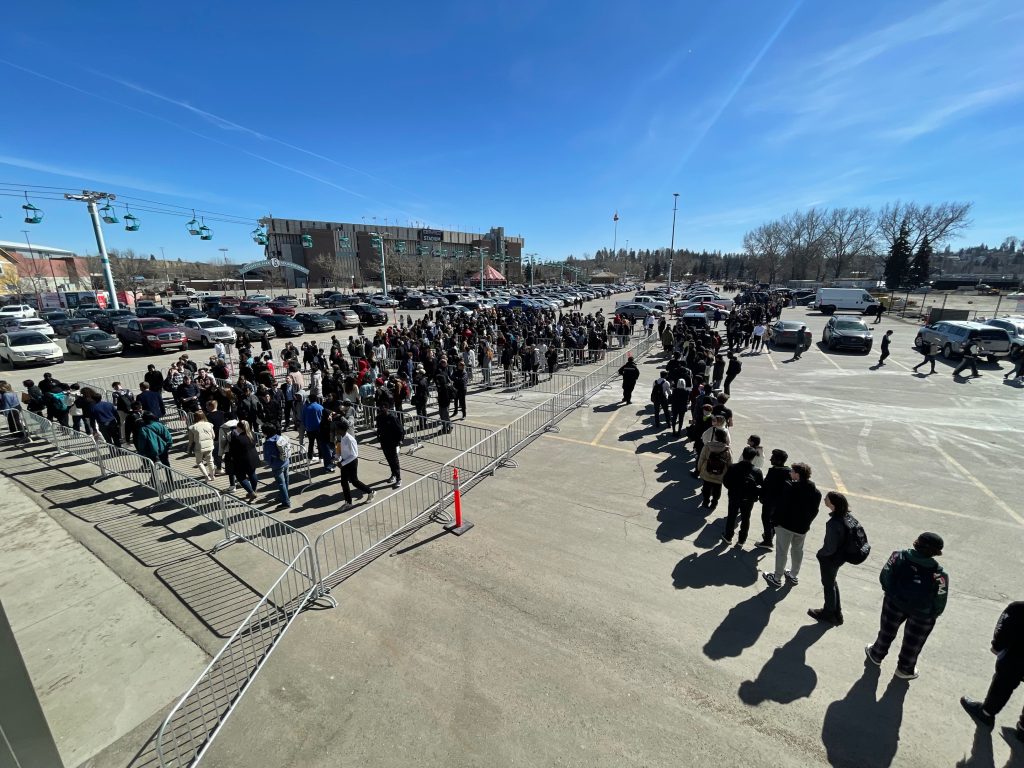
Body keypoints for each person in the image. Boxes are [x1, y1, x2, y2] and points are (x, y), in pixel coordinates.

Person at [864, 532, 948, 680]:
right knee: (913, 642)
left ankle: (876, 654)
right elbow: (940, 600)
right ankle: (905, 669)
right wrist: (932, 614)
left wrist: (891, 594)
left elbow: (885, 576)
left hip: (894, 602)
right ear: (936, 552)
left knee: (887, 631)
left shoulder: (898, 556)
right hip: (922, 613)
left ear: (916, 543)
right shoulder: (939, 575)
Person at [960, 602, 1024, 739]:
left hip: (1017, 657)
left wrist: (997, 645)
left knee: (1004, 681)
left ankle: (987, 713)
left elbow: (1003, 628)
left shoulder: (1018, 609)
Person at [762, 462, 821, 587]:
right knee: (797, 550)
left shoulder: (789, 488)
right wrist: (807, 523)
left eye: (792, 471)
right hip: (802, 528)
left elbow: (781, 507)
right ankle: (793, 575)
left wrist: (774, 521)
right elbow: (815, 511)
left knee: (782, 551)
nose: (790, 473)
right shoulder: (816, 492)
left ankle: (777, 578)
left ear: (797, 475)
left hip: (785, 526)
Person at [809, 491, 853, 627]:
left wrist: (820, 554)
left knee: (828, 585)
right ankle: (837, 613)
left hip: (831, 559)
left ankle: (828, 613)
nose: (824, 500)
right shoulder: (847, 517)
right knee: (832, 582)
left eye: (826, 499)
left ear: (832, 504)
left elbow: (830, 547)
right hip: (841, 556)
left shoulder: (833, 523)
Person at [721, 446, 763, 547]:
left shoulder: (733, 467)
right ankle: (741, 540)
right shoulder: (757, 471)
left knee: (732, 516)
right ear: (753, 458)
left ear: (743, 454)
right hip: (748, 499)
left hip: (734, 496)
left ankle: (728, 536)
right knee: (745, 518)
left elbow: (725, 481)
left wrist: (732, 489)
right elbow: (761, 486)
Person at [335, 418, 375, 510]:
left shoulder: (350, 439)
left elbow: (354, 455)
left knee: (354, 481)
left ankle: (370, 491)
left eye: (337, 429)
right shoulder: (342, 437)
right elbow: (343, 451)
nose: (335, 430)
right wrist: (337, 456)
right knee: (344, 482)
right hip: (345, 462)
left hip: (351, 462)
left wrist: (343, 463)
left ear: (341, 430)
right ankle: (348, 502)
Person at [755, 449, 790, 549]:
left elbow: (765, 486)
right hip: (781, 502)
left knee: (766, 519)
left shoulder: (774, 472)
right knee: (774, 520)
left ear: (778, 461)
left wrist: (760, 495)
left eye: (773, 458)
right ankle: (769, 535)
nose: (770, 459)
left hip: (770, 501)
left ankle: (767, 541)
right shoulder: (788, 471)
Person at [697, 428, 731, 510]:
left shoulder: (708, 446)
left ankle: (705, 501)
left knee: (706, 487)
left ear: (715, 437)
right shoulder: (727, 449)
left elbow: (701, 458)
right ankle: (714, 503)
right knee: (717, 489)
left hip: (707, 471)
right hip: (720, 474)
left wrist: (699, 468)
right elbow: (730, 463)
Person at [228, 420, 261, 501]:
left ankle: (251, 492)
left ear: (239, 428)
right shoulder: (252, 434)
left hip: (242, 460)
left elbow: (232, 450)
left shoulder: (237, 438)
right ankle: (253, 490)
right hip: (253, 457)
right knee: (252, 473)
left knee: (241, 477)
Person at [376, 400, 405, 489]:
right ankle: (393, 474)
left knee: (394, 461)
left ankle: (398, 478)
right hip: (384, 442)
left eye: (384, 407)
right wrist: (378, 437)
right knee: (389, 459)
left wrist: (400, 440)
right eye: (380, 408)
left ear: (387, 408)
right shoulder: (379, 418)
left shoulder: (393, 418)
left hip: (392, 443)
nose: (382, 409)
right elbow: (379, 429)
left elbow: (400, 430)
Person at [261, 424, 292, 509]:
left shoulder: (269, 442)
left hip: (277, 465)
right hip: (285, 461)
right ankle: (284, 496)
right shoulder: (279, 437)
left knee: (281, 483)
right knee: (285, 481)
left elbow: (267, 457)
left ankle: (286, 502)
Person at [186, 410, 217, 480]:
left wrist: (189, 449)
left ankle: (206, 476)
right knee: (210, 461)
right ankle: (212, 475)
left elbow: (190, 441)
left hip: (199, 447)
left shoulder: (192, 427)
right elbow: (213, 436)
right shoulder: (209, 424)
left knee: (199, 462)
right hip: (209, 445)